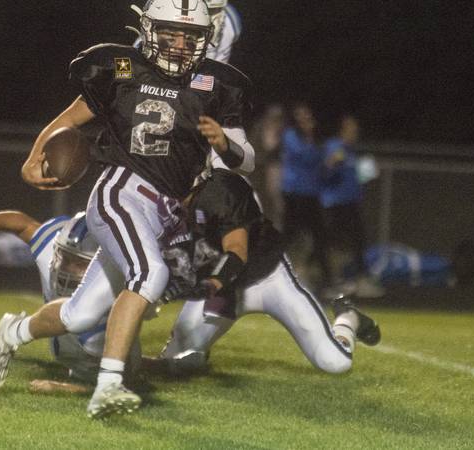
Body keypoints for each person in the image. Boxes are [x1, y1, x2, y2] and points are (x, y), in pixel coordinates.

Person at [0, 0, 254, 418]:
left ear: (206, 39)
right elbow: (70, 118)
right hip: (120, 192)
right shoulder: (120, 67)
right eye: (170, 34)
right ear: (148, 30)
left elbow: (246, 159)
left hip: (163, 213)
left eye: (190, 37)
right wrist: (36, 152)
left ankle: (11, 333)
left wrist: (225, 145)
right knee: (150, 274)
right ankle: (107, 387)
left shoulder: (216, 85)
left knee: (78, 315)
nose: (180, 45)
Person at [155, 168, 381, 376]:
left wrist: (205, 286)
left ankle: (347, 317)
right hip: (221, 289)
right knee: (174, 362)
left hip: (267, 277)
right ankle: (198, 346)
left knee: (335, 362)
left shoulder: (223, 188)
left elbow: (236, 253)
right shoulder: (157, 203)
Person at [0, 206, 141, 393]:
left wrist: (65, 388)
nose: (68, 269)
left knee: (113, 366)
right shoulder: (52, 251)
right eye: (66, 258)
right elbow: (23, 224)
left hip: (93, 346)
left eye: (80, 264)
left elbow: (125, 383)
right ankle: (15, 331)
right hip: (68, 341)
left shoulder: (113, 284)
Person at [321, 114, 384, 297]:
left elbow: (359, 178)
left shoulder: (352, 151)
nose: (354, 133)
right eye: (351, 129)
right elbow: (324, 173)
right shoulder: (334, 146)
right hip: (334, 203)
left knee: (358, 242)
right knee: (334, 244)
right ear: (342, 130)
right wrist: (332, 162)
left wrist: (369, 172)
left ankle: (360, 281)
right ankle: (331, 282)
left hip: (351, 203)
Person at [133, 0, 243, 64]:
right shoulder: (152, 36)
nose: (208, 19)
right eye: (201, 10)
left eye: (213, 11)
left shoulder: (230, 22)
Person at [280, 102, 331, 291]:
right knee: (289, 235)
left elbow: (320, 163)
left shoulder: (315, 139)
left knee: (319, 235)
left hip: (311, 193)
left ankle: (327, 279)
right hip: (295, 193)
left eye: (308, 117)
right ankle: (269, 269)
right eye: (301, 117)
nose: (306, 121)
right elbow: (307, 156)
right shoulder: (290, 136)